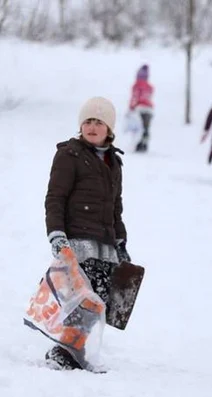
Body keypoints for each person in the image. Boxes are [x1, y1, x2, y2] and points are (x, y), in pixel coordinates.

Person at [44, 96, 131, 370]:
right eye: (87, 121)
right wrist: (56, 234)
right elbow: (55, 198)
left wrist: (120, 241)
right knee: (83, 299)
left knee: (101, 300)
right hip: (78, 242)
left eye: (99, 122)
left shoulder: (113, 162)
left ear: (109, 129)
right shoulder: (69, 155)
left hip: (105, 244)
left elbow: (115, 207)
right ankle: (62, 351)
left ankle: (76, 349)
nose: (92, 126)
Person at [129, 64, 154, 152]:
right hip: (149, 110)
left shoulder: (136, 85)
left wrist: (131, 107)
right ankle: (145, 143)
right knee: (146, 128)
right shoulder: (149, 87)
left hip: (139, 109)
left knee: (138, 128)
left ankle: (138, 145)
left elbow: (135, 97)